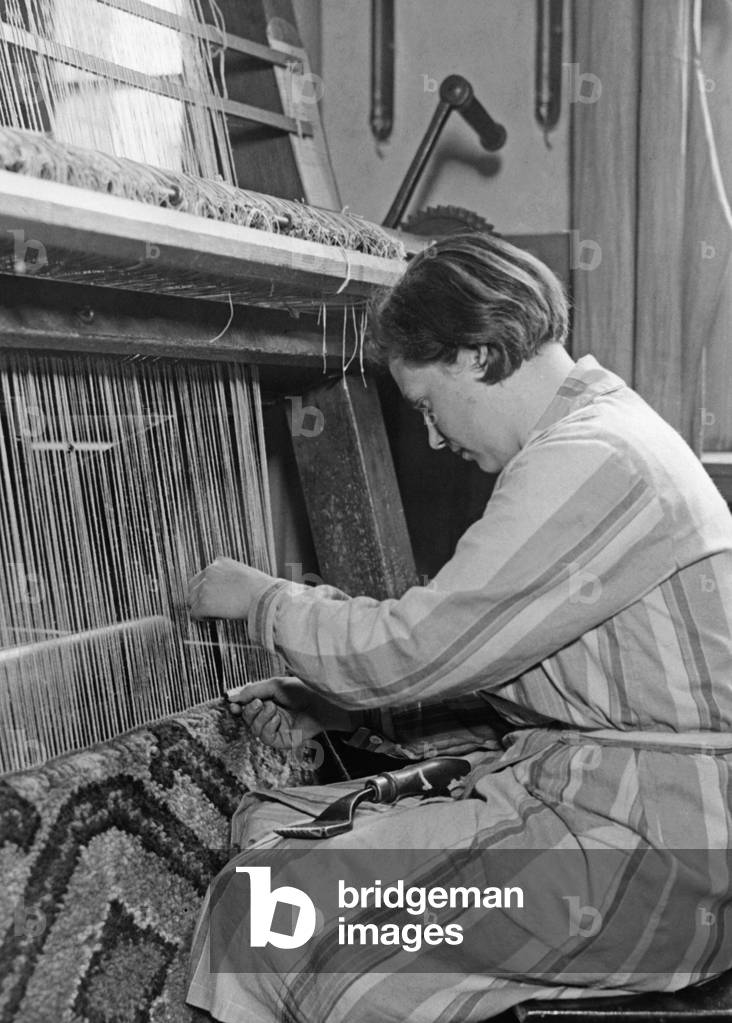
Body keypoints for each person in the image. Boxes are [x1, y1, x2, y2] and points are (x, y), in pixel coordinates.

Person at [185, 232, 732, 1023]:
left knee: (266, 913)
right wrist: (339, 704)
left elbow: (414, 647)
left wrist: (263, 599)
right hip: (638, 820)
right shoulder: (602, 432)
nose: (436, 437)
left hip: (658, 855)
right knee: (279, 837)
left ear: (476, 356)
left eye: (427, 406)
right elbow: (506, 659)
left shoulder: (593, 458)